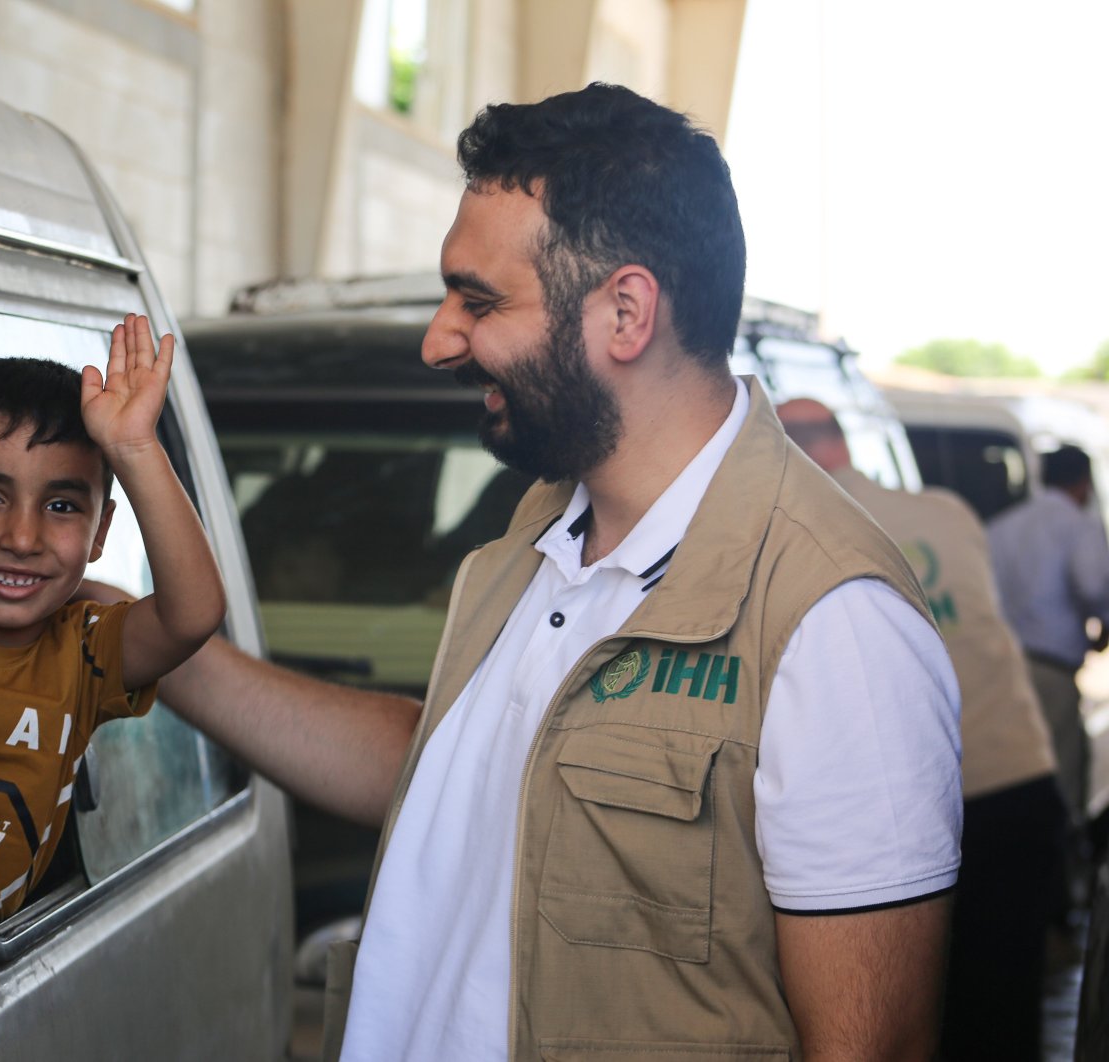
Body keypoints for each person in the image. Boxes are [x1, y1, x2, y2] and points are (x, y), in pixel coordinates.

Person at [135, 84, 962, 1060]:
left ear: (624, 311)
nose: (438, 340)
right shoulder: (540, 526)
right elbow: (457, 773)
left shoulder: (832, 625)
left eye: (478, 300)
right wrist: (146, 647)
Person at [0, 315, 224, 920]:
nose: (22, 537)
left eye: (60, 506)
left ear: (99, 532)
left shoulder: (82, 654)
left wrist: (134, 448)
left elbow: (193, 614)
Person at [778, 397, 1064, 1061]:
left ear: (782, 452)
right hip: (1018, 778)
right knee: (1006, 1007)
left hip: (903, 815)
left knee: (910, 1020)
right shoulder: (946, 511)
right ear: (842, 443)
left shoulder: (793, 528)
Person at [986, 444, 1109, 824]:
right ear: (1083, 483)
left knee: (1014, 771)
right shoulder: (1078, 525)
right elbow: (1093, 587)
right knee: (1062, 773)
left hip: (1003, 669)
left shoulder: (1002, 526)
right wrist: (1101, 626)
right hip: (1052, 669)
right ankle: (1065, 869)